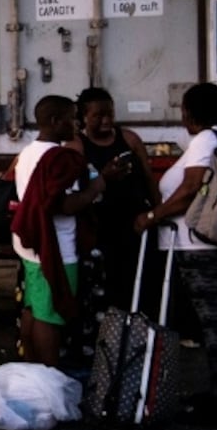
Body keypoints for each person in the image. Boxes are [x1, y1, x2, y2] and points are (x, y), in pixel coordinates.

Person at [133, 82, 217, 423]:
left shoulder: (206, 139)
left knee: (216, 324)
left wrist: (152, 216)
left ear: (190, 112)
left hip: (200, 245)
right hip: (216, 240)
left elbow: (191, 189)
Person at [11, 95, 118, 367]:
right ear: (55, 121)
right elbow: (63, 205)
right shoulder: (57, 158)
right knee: (51, 315)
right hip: (56, 246)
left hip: (31, 244)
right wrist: (99, 183)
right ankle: (50, 377)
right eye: (72, 119)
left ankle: (32, 372)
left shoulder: (26, 153)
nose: (77, 124)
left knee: (33, 309)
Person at [65, 87, 158, 304]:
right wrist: (104, 176)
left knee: (139, 285)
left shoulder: (130, 139)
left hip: (134, 224)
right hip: (100, 227)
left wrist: (157, 212)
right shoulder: (76, 146)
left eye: (110, 114)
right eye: (98, 116)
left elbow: (148, 178)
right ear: (84, 117)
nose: (106, 120)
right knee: (104, 288)